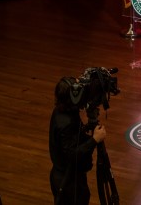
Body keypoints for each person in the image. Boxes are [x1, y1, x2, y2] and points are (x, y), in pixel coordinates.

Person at [49, 77, 107, 205]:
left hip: (67, 176)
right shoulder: (66, 123)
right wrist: (94, 139)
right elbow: (72, 155)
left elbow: (72, 139)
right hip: (68, 182)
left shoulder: (62, 110)